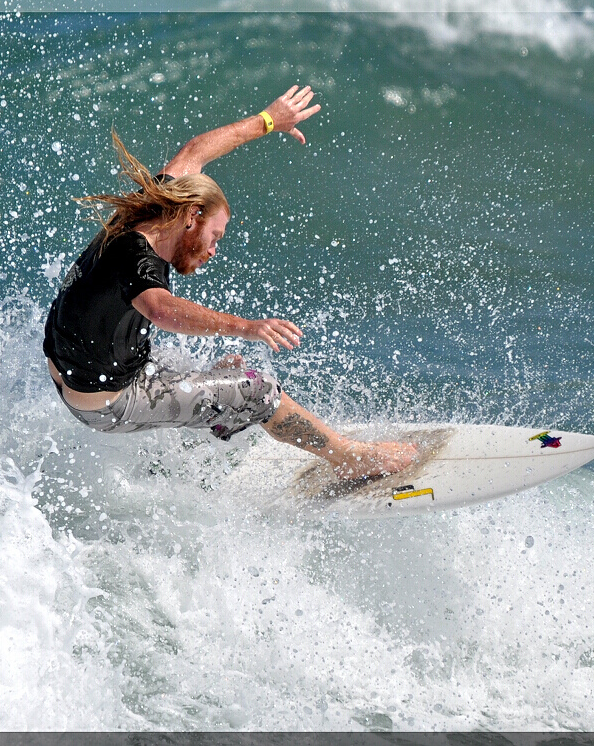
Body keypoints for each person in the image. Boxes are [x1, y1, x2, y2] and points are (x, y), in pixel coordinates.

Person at [43, 85, 416, 480]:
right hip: (106, 402)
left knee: (229, 372)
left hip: (85, 373)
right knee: (259, 389)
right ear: (192, 215)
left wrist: (269, 120)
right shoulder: (136, 258)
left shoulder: (157, 205)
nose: (213, 251)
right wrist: (249, 328)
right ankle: (351, 460)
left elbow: (195, 152)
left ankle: (208, 430)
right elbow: (163, 310)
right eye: (214, 236)